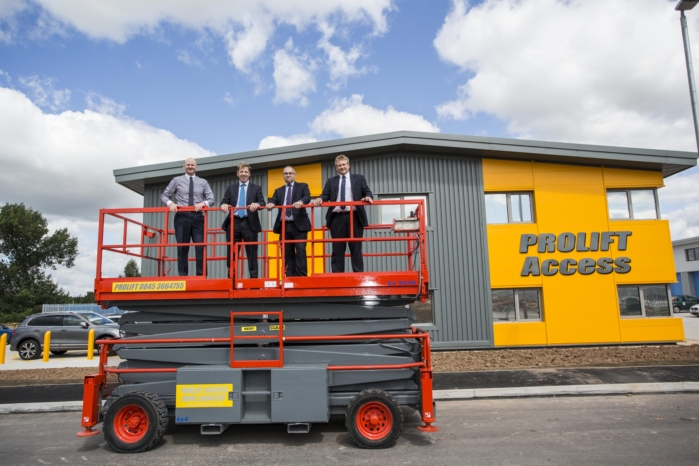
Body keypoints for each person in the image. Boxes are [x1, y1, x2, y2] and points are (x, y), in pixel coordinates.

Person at [313, 155, 373, 273]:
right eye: (339, 165)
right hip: (337, 218)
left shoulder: (359, 178)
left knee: (356, 247)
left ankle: (358, 275)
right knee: (337, 248)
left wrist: (368, 196)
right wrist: (320, 198)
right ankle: (337, 276)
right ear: (336, 167)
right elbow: (325, 195)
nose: (342, 167)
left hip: (355, 217)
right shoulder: (331, 181)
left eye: (344, 164)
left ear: (348, 165)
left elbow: (367, 191)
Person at [160, 158, 214, 276]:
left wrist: (203, 203)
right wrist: (171, 203)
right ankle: (183, 276)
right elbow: (164, 196)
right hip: (182, 217)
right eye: (188, 165)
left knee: (201, 246)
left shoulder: (203, 182)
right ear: (184, 166)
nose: (190, 167)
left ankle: (201, 276)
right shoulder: (177, 180)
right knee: (182, 247)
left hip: (198, 217)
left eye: (192, 165)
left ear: (196, 167)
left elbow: (211, 199)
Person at [220, 162, 265, 278]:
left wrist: (257, 204)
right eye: (241, 172)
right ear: (237, 173)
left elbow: (262, 202)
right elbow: (224, 201)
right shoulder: (231, 187)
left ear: (249, 174)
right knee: (232, 253)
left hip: (249, 223)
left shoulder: (256, 188)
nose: (243, 174)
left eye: (246, 172)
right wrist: (224, 204)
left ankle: (254, 281)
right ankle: (232, 280)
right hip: (233, 222)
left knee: (252, 253)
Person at [266, 166, 312, 277]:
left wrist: (301, 202)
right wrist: (271, 203)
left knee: (300, 250)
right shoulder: (278, 190)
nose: (288, 175)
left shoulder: (302, 186)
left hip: (299, 226)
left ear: (295, 174)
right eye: (285, 173)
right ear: (283, 175)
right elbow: (273, 200)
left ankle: (301, 277)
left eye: (290, 173)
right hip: (284, 226)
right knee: (287, 252)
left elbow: (307, 197)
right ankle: (290, 277)